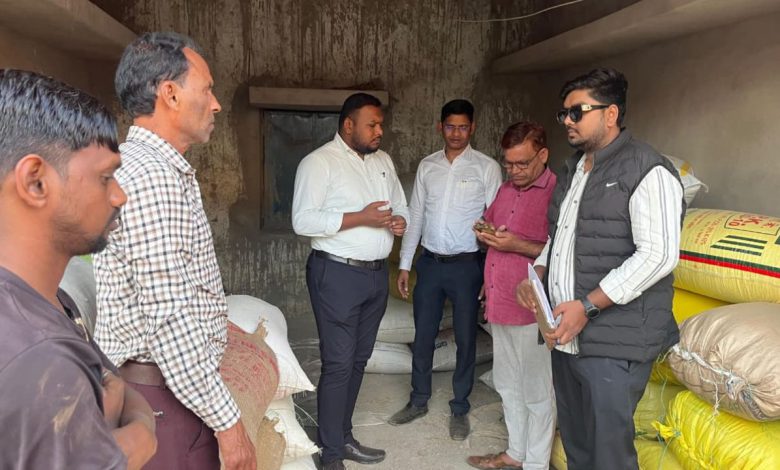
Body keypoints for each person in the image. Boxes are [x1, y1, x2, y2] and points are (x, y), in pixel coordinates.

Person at [93, 32, 255, 470]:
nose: (216, 104)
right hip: (162, 399)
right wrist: (228, 423)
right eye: (207, 89)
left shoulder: (150, 167)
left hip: (164, 392)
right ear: (170, 94)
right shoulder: (152, 177)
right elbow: (170, 318)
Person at [517, 68, 685, 470]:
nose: (567, 121)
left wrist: (587, 306)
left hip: (614, 342)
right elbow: (561, 237)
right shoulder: (573, 170)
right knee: (578, 449)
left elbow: (658, 255)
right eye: (564, 113)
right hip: (567, 337)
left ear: (611, 114)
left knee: (609, 457)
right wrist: (537, 274)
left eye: (577, 112)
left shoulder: (647, 169)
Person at [0, 69, 157, 469]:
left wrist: (124, 416)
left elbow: (116, 385)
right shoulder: (40, 360)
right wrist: (141, 434)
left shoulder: (48, 299)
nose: (120, 196)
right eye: (106, 177)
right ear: (36, 182)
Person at [292, 92, 409, 470]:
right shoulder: (319, 163)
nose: (379, 131)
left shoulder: (383, 161)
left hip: (375, 275)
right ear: (348, 125)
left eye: (380, 124)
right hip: (337, 274)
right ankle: (330, 452)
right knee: (339, 363)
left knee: (358, 360)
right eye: (371, 125)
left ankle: (342, 437)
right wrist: (360, 218)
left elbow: (400, 204)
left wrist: (400, 221)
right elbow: (303, 221)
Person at [388, 99, 501, 440]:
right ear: (440, 127)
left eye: (463, 127)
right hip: (430, 264)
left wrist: (490, 275)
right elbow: (416, 216)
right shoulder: (428, 166)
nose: (456, 133)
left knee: (466, 337)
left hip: (467, 266)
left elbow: (496, 224)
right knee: (423, 334)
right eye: (450, 126)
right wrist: (405, 264)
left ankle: (460, 407)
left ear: (472, 128)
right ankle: (418, 399)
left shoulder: (486, 168)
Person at [467, 122, 556, 470]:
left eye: (522, 163)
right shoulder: (505, 190)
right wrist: (484, 231)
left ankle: (536, 463)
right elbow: (489, 225)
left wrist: (516, 243)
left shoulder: (557, 194)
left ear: (543, 155)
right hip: (500, 301)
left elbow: (562, 251)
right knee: (506, 383)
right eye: (509, 163)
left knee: (537, 391)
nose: (514, 171)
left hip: (531, 308)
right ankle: (516, 453)